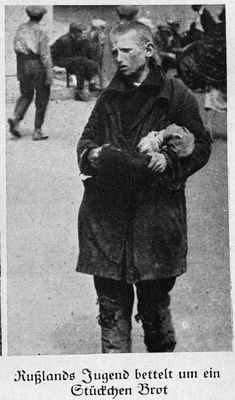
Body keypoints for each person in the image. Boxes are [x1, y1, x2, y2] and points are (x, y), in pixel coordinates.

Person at [76, 21, 211, 353]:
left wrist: (170, 163)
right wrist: (93, 155)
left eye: (126, 50)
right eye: (114, 52)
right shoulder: (109, 97)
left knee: (154, 307)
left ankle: (160, 370)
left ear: (149, 51)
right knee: (111, 311)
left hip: (155, 218)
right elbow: (86, 141)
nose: (118, 58)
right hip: (107, 218)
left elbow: (203, 146)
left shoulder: (175, 94)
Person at [8, 5, 53, 140]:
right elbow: (45, 55)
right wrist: (49, 74)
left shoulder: (21, 28)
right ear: (41, 17)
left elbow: (16, 47)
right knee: (42, 96)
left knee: (26, 94)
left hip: (22, 63)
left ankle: (15, 119)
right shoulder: (41, 31)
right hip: (36, 63)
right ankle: (37, 130)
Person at [51, 22, 99, 101]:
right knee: (82, 61)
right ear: (74, 32)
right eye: (79, 32)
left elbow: (81, 52)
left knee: (82, 66)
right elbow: (54, 53)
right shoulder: (63, 40)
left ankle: (81, 90)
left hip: (70, 59)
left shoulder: (77, 39)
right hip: (59, 60)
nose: (81, 34)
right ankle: (88, 84)